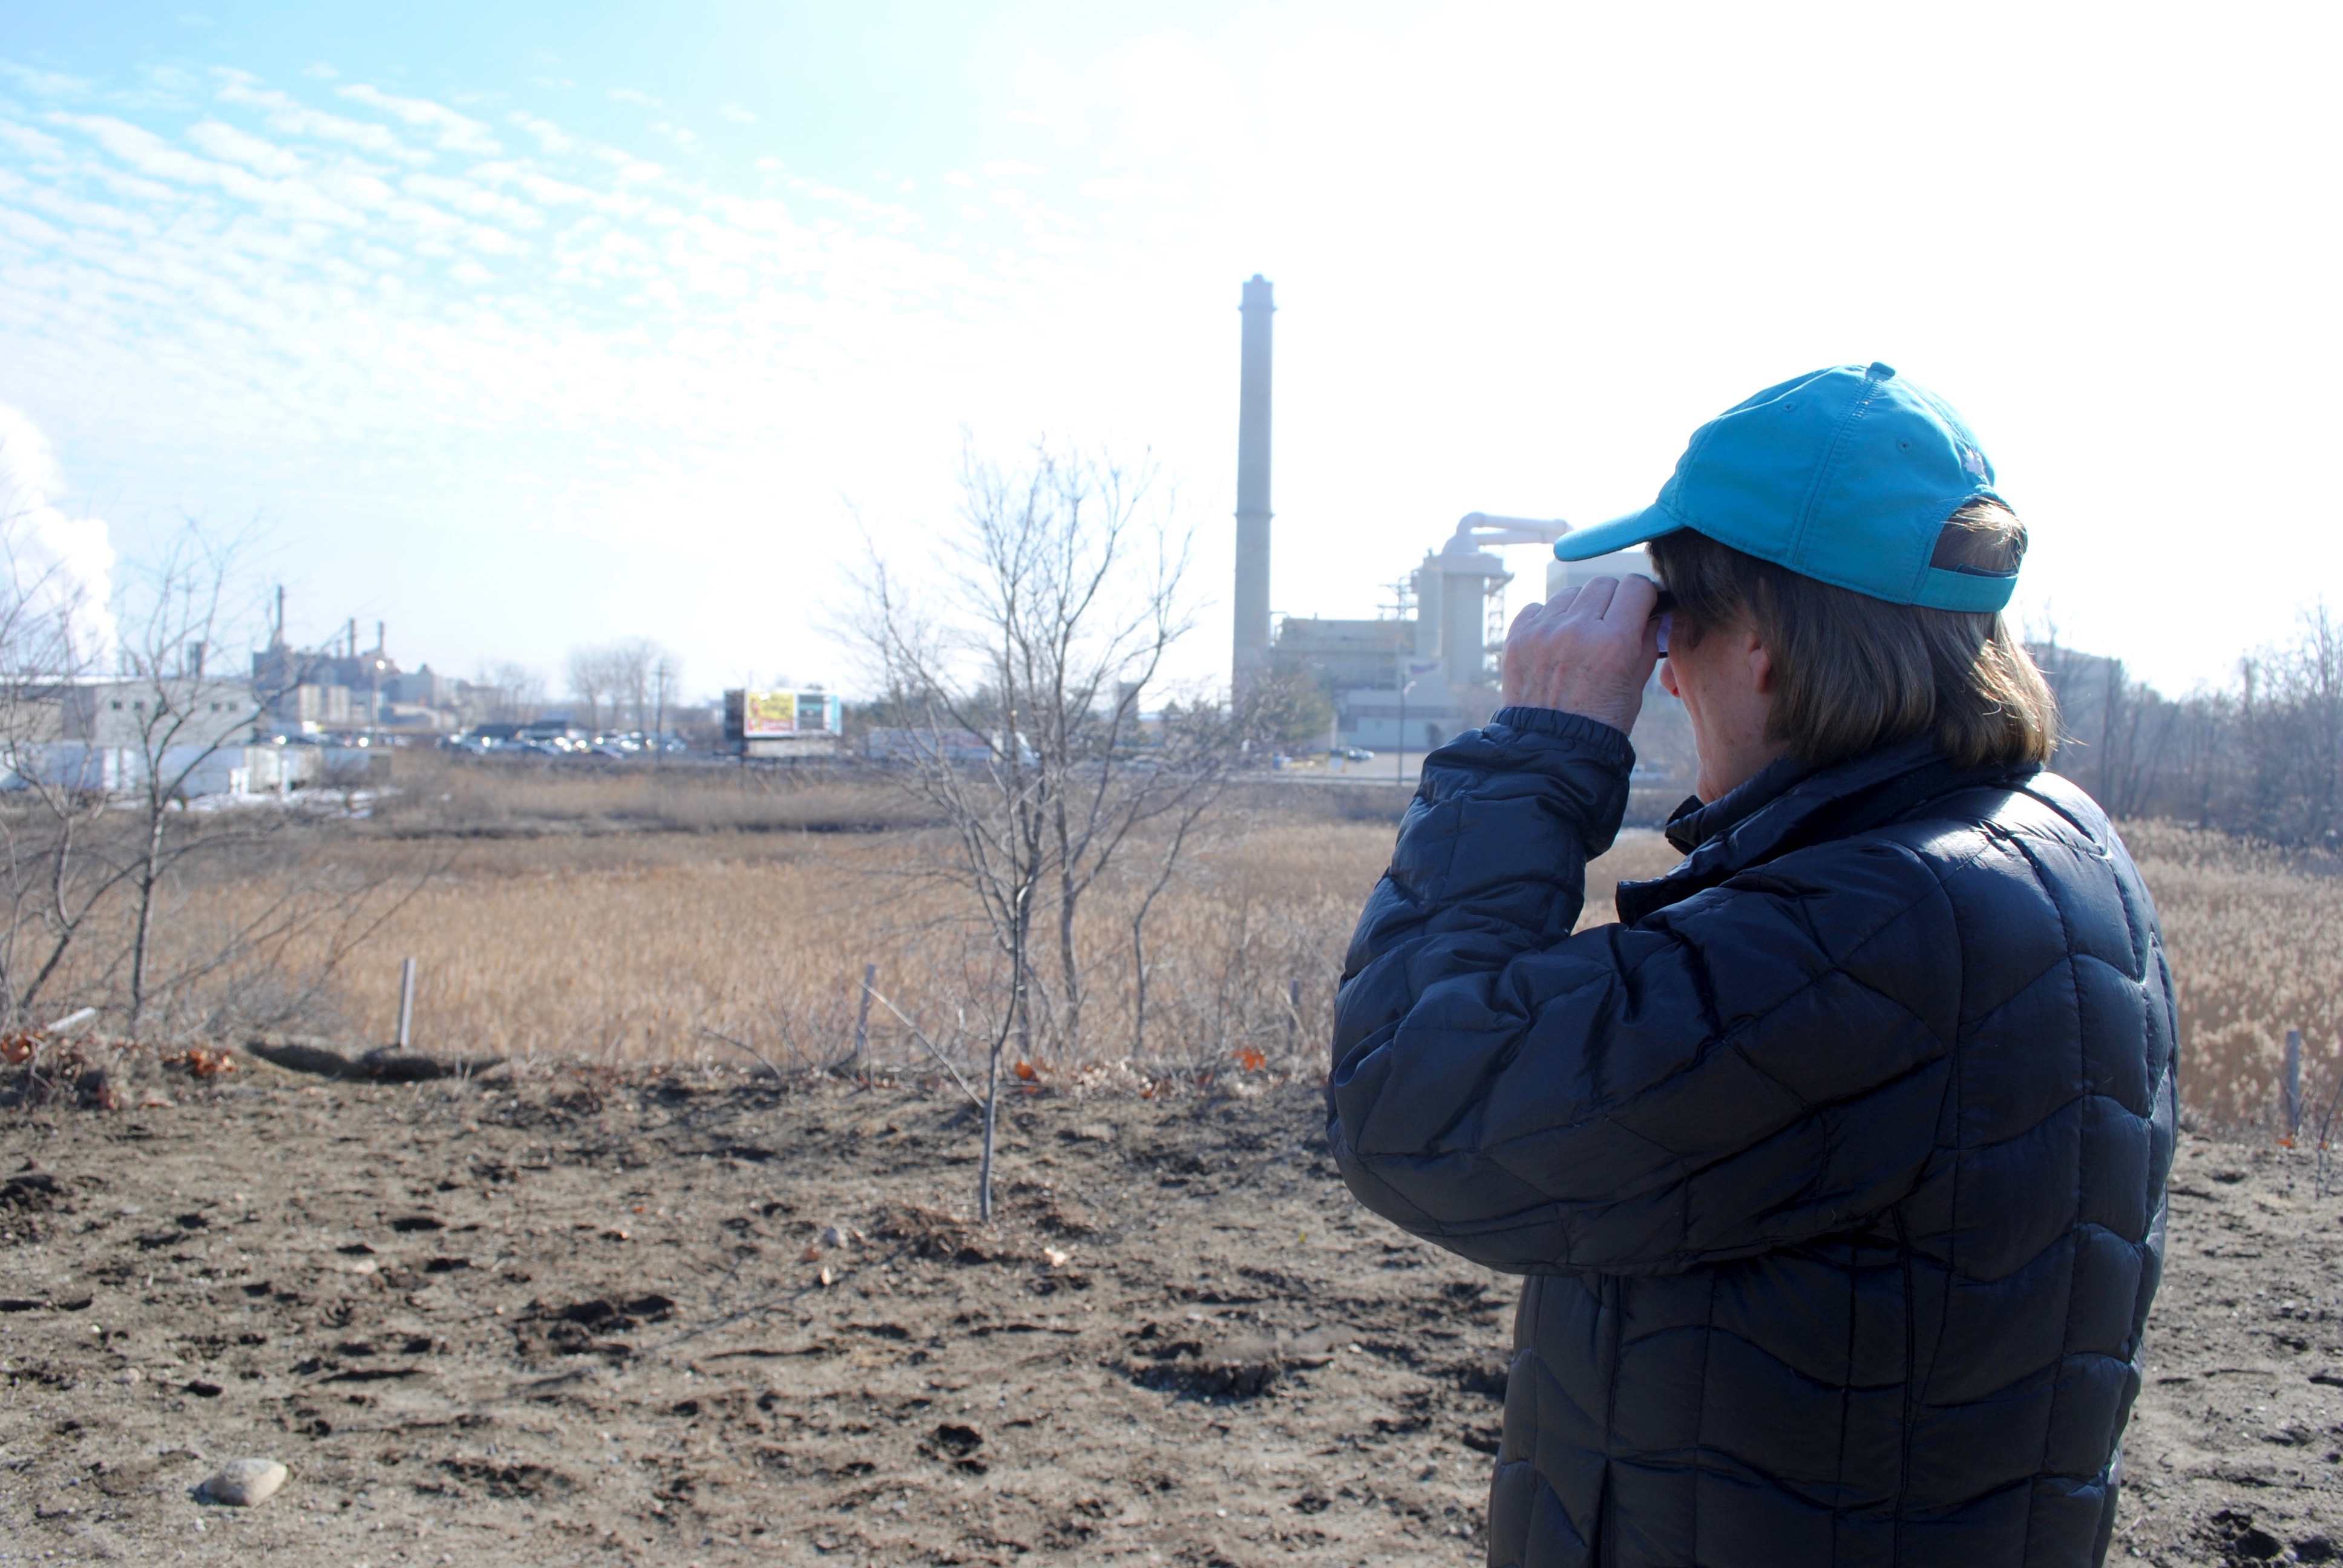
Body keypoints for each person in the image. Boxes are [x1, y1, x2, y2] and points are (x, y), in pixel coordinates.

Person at [1326, 362, 2174, 1568]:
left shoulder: (1872, 930)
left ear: (1763, 644)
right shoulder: (2053, 846)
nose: (1662, 671)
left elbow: (1414, 1106)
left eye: (1677, 625)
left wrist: (1539, 750)